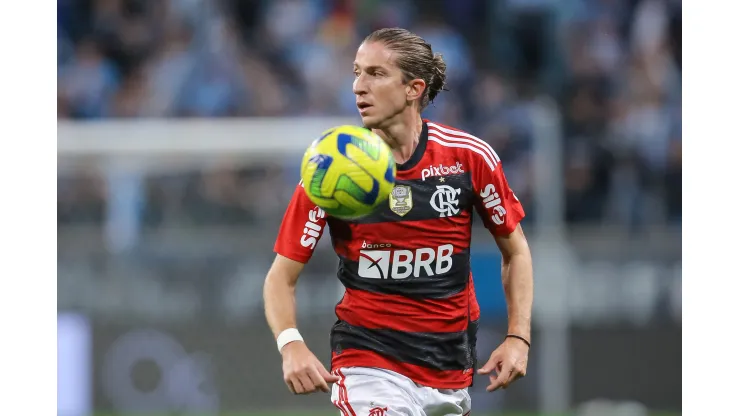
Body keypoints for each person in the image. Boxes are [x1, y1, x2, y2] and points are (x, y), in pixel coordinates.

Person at [264, 27, 534, 416]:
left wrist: (518, 337)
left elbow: (517, 251)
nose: (358, 86)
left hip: (449, 368)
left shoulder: (468, 158)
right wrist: (291, 344)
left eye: (375, 74)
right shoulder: (330, 168)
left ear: (414, 88)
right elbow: (280, 276)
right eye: (356, 72)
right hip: (368, 361)